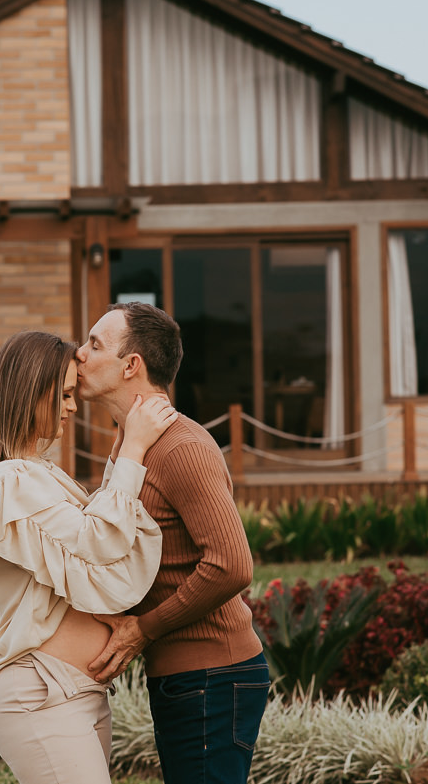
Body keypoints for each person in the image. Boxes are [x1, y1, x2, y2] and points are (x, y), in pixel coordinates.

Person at [0, 330, 178, 784]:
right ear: (29, 391)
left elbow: (79, 565)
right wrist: (133, 447)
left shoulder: (38, 474)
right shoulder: (3, 482)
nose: (72, 407)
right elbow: (97, 542)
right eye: (62, 394)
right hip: (40, 693)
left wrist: (123, 448)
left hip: (79, 691)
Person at [77, 303, 269, 784]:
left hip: (213, 675)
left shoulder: (182, 447)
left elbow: (232, 566)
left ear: (131, 366)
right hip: (184, 677)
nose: (79, 354)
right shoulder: (131, 443)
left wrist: (144, 630)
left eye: (95, 344)